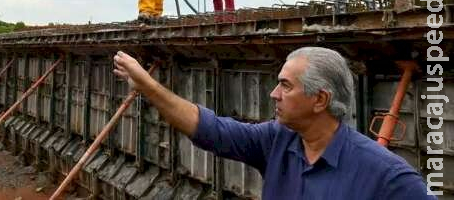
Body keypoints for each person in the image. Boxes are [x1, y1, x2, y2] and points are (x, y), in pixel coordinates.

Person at [113, 47, 435, 199]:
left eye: (286, 85)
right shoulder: (277, 141)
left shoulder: (387, 177)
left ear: (320, 100)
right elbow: (210, 130)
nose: (273, 94)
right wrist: (148, 87)